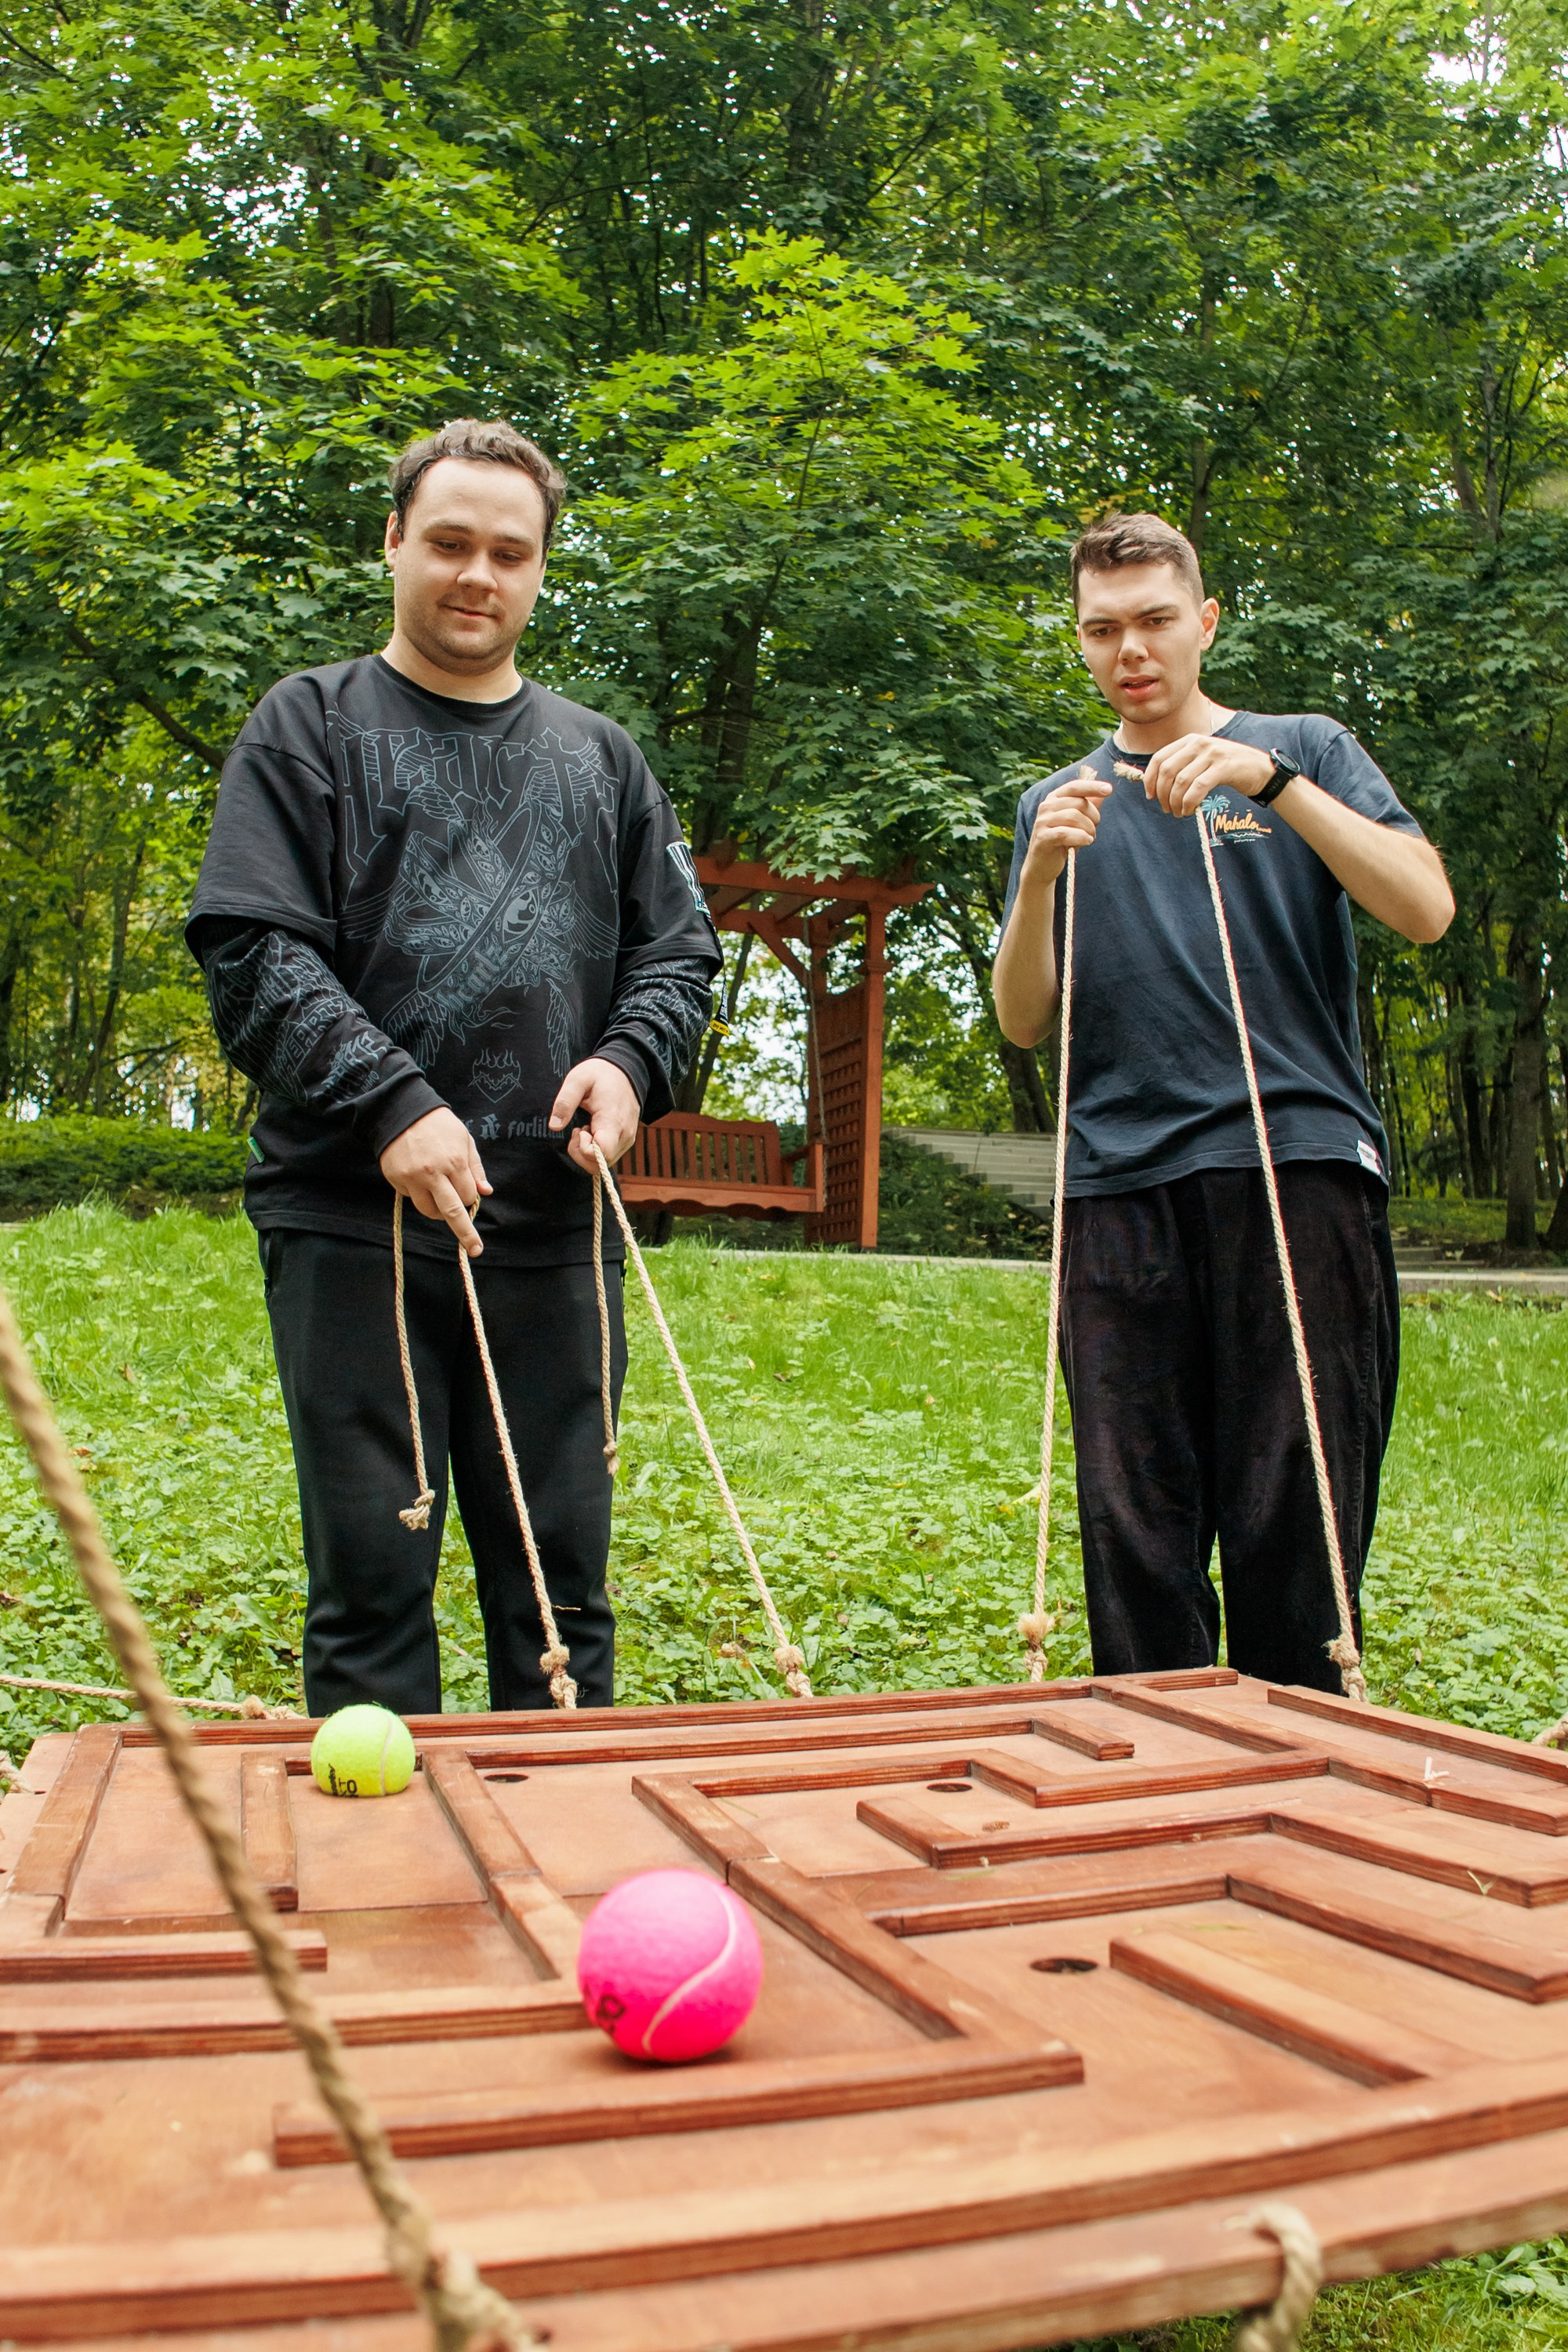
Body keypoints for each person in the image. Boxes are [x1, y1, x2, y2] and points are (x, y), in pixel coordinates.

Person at [188, 418, 721, 1716]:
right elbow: (252, 953)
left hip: (555, 1228)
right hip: (351, 1220)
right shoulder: (305, 726)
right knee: (373, 1579)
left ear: (540, 570)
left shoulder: (604, 759)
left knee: (562, 1596)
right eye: (449, 543)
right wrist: (394, 1105)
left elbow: (680, 957)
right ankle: (390, 1903)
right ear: (394, 543)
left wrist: (629, 1066)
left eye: (509, 551)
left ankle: (550, 1881)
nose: (477, 574)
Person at [993, 514, 1454, 1690]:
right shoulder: (1062, 800)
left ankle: (1299, 1772)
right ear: (1081, 641)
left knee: (1292, 1518)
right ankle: (1156, 1783)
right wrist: (1043, 867)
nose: (1130, 650)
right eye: (1104, 630)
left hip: (1295, 1168)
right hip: (1116, 1187)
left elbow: (1424, 907)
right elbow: (1024, 1019)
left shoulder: (1302, 747)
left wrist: (1275, 782)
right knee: (1132, 1525)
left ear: (1203, 622)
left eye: (1154, 621)